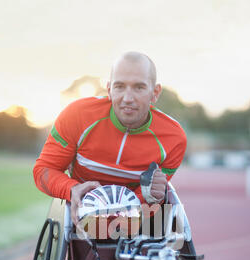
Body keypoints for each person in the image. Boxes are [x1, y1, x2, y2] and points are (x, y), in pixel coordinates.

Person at [33, 51, 187, 227]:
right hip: (83, 212)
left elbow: (152, 197)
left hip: (136, 219)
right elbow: (43, 170)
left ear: (155, 92)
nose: (128, 98)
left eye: (139, 87)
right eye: (120, 86)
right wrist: (72, 189)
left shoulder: (174, 138)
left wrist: (150, 196)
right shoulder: (76, 116)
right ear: (109, 89)